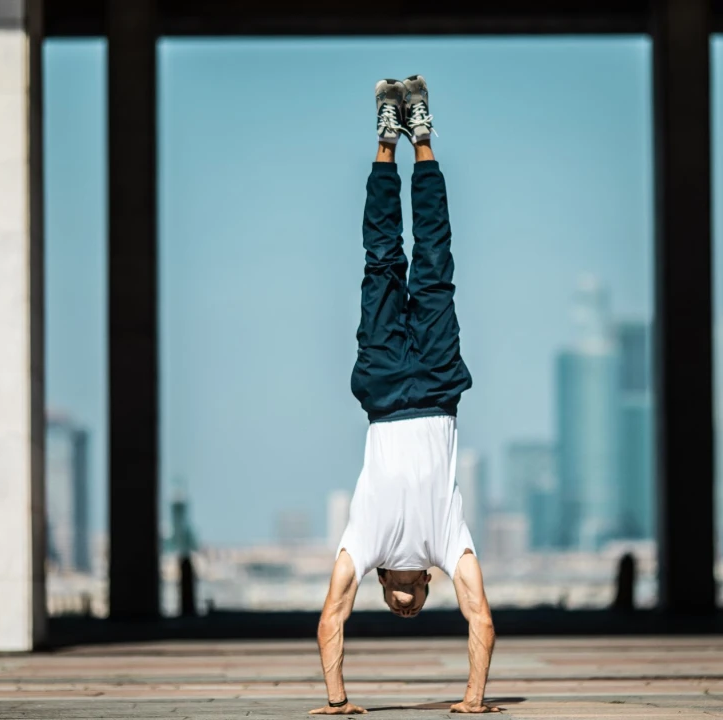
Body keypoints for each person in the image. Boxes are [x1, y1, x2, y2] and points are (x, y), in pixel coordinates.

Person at [310, 76, 498, 716]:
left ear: (386, 587)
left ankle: (385, 142)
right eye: (413, 602)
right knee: (436, 265)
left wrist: (338, 701)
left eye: (398, 603)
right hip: (439, 386)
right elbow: (482, 619)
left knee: (382, 261)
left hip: (388, 387)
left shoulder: (365, 544)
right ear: (423, 587)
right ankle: (422, 136)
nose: (406, 601)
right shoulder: (449, 545)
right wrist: (472, 700)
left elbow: (332, 616)